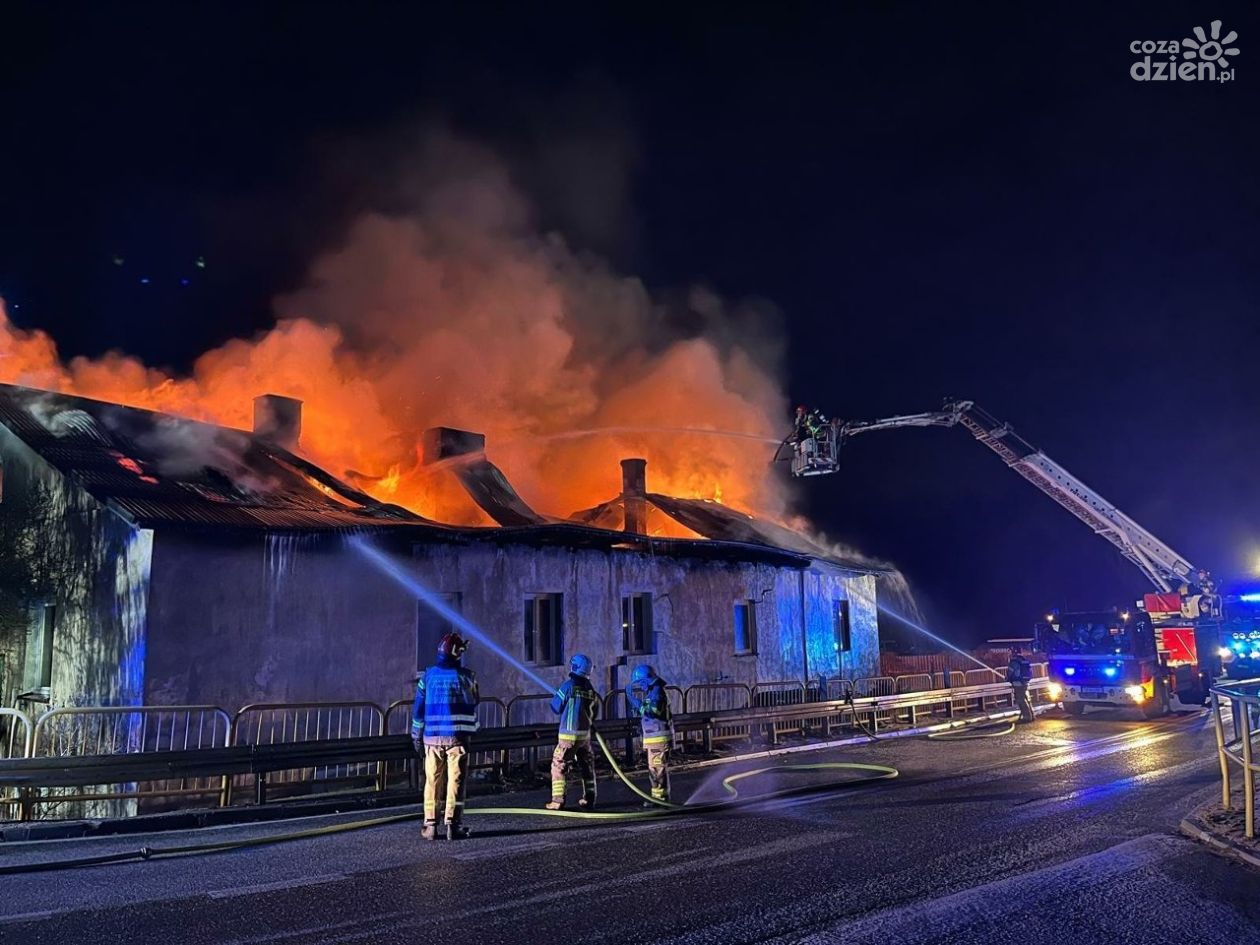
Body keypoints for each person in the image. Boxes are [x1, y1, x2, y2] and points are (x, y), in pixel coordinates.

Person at [411, 631, 479, 840]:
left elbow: (418, 709)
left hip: (431, 738)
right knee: (456, 781)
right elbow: (474, 701)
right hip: (458, 738)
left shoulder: (428, 676)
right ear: (457, 654)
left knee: (432, 781)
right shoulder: (467, 676)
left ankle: (430, 826)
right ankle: (453, 825)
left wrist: (416, 734)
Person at [546, 653, 600, 811]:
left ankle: (557, 800)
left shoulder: (568, 686)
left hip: (568, 736)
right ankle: (590, 799)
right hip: (585, 736)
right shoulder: (591, 690)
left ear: (575, 667)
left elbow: (555, 707)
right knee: (587, 766)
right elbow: (594, 713)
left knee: (559, 765)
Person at [626, 664, 674, 806]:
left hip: (659, 740)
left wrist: (634, 701)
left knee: (658, 770)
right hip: (655, 739)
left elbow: (653, 712)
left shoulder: (657, 692)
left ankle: (661, 800)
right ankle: (657, 798)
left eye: (640, 683)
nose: (640, 687)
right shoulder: (653, 692)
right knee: (655, 770)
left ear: (647, 680)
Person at [1007, 644, 1035, 724]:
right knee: (1026, 699)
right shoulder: (1024, 660)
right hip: (1025, 682)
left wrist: (1008, 678)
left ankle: (1027, 717)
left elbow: (1010, 672)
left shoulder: (1013, 662)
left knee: (1021, 700)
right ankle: (1031, 715)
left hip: (1018, 683)